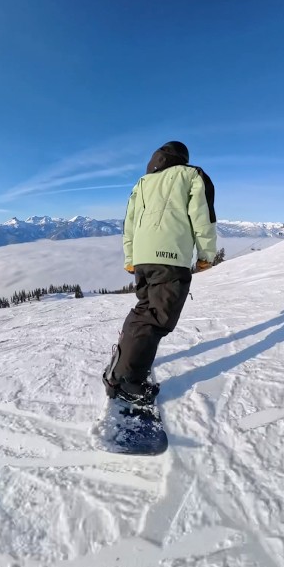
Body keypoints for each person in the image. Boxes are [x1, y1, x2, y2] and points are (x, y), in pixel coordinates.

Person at [103, 140, 217, 407]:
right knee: (156, 317)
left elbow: (128, 223)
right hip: (170, 256)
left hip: (143, 258)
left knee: (146, 309)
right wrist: (206, 255)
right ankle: (126, 381)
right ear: (183, 158)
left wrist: (131, 258)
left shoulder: (141, 183)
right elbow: (203, 216)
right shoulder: (192, 175)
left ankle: (124, 360)